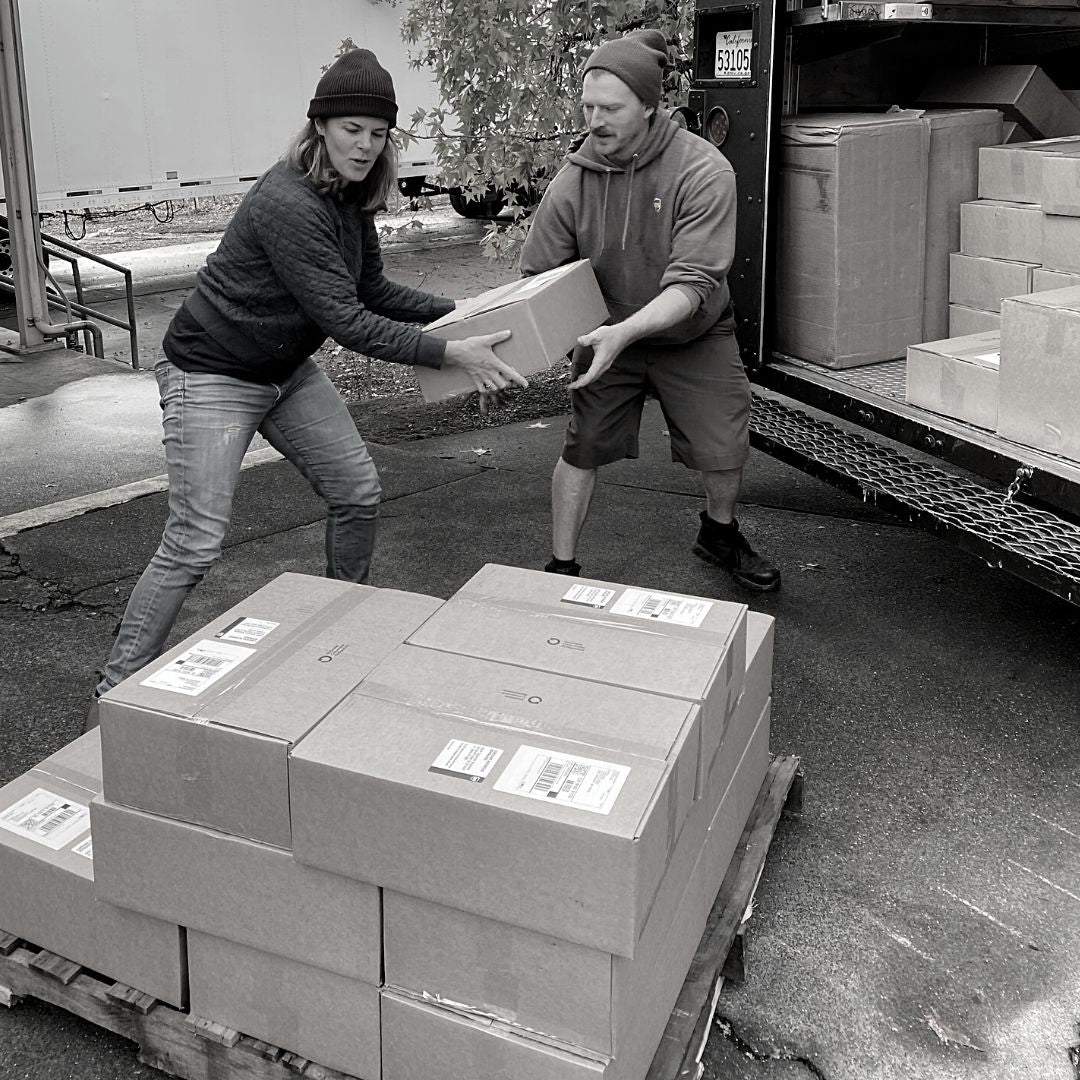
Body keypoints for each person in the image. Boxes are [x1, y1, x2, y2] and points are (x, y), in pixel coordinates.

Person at [86, 48, 526, 730]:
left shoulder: (351, 198)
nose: (365, 144)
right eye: (352, 129)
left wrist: (464, 312)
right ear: (320, 126)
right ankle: (114, 694)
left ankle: (342, 633)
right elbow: (347, 321)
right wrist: (450, 351)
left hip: (283, 370)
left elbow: (371, 288)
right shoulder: (288, 199)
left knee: (358, 492)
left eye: (378, 134)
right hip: (213, 371)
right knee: (197, 540)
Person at [520, 29, 780, 593]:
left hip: (693, 331)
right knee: (581, 447)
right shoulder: (572, 183)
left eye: (610, 108)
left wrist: (626, 332)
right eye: (588, 106)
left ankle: (719, 533)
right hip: (605, 334)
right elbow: (538, 279)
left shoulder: (703, 171)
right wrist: (521, 345)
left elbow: (692, 286)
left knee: (724, 445)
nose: (595, 120)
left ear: (649, 104)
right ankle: (560, 568)